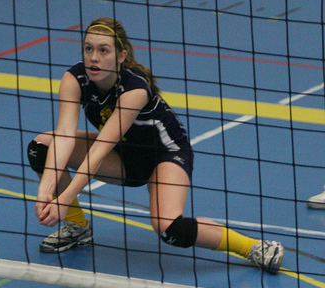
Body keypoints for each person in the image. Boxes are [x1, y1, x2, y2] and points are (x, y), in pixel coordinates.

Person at [28, 17, 284, 273]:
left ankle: (253, 247)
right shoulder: (75, 80)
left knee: (169, 227)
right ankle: (77, 227)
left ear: (120, 55)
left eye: (103, 50)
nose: (93, 57)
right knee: (42, 147)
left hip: (166, 154)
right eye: (88, 48)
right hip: (124, 156)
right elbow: (64, 136)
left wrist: (64, 198)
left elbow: (99, 151)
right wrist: (46, 191)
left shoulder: (134, 89)